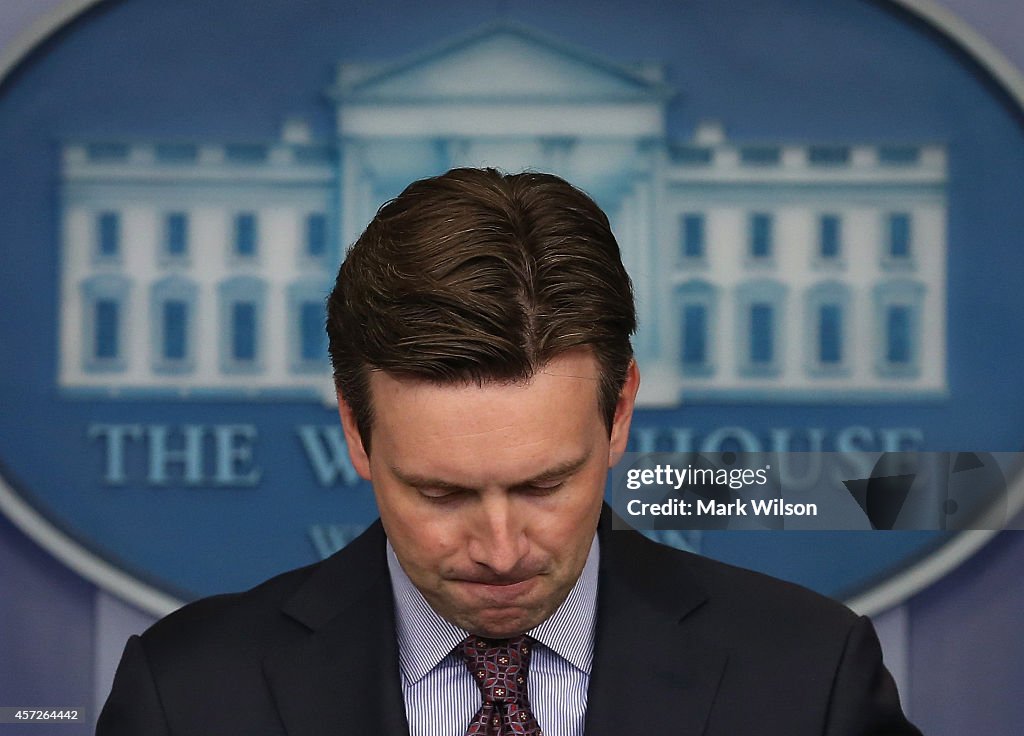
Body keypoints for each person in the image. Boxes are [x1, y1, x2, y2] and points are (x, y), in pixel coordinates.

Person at [97, 168, 920, 735]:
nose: (499, 551)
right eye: (442, 494)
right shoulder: (188, 695)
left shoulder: (810, 678)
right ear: (354, 428)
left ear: (620, 412)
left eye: (543, 484)